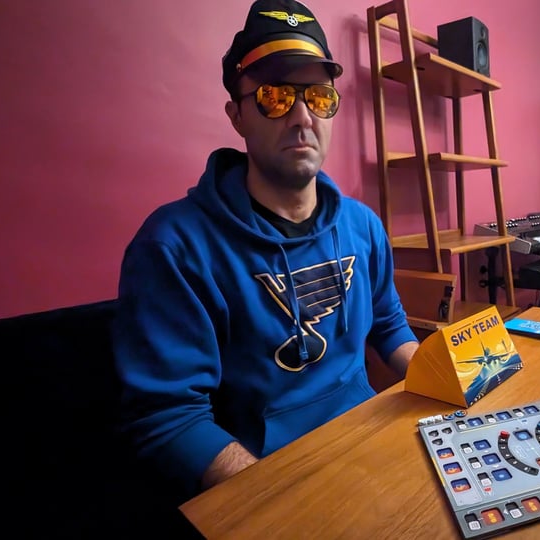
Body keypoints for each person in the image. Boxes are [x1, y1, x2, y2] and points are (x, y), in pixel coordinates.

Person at [112, 0, 419, 501]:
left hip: (370, 445)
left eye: (319, 96)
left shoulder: (363, 226)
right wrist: (279, 499)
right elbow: (168, 418)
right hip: (262, 478)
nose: (302, 116)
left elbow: (389, 327)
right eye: (275, 96)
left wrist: (453, 382)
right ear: (237, 115)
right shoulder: (172, 246)